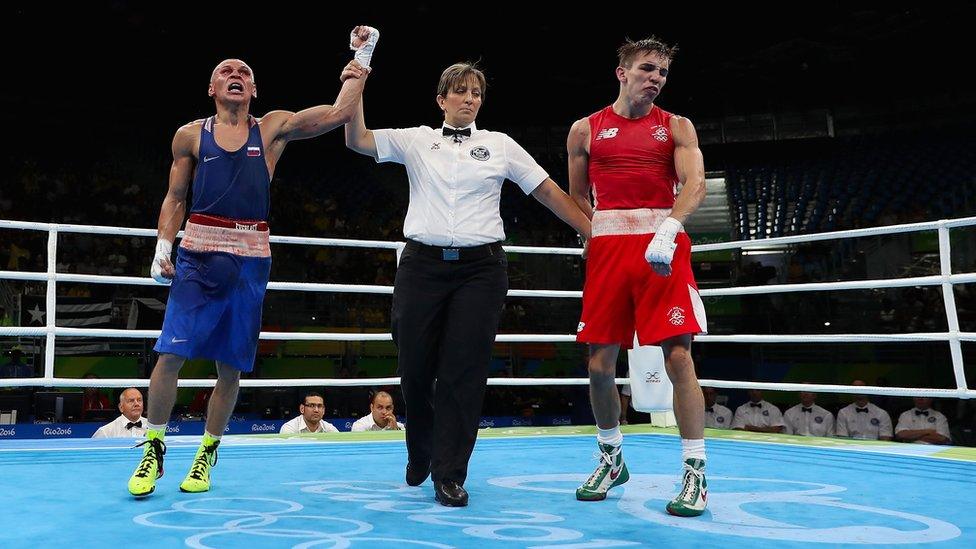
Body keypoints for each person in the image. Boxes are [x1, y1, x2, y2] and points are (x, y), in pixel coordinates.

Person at [127, 26, 379, 498]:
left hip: (248, 257)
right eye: (226, 70)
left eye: (245, 71)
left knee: (230, 366)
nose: (236, 74)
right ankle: (154, 446)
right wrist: (164, 246)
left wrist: (362, 56)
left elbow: (339, 113)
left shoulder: (272, 127)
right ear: (212, 88)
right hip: (198, 252)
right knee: (170, 354)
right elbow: (175, 195)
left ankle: (207, 452)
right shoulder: (189, 135)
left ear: (254, 89)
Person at [345, 61, 591, 507]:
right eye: (460, 92)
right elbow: (357, 140)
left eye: (475, 92)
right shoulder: (418, 139)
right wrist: (358, 78)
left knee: (463, 374)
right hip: (421, 267)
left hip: (482, 271)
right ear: (442, 99)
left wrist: (594, 234)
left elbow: (547, 190)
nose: (469, 99)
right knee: (414, 370)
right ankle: (420, 450)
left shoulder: (500, 145)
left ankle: (450, 473)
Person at [568, 36, 708, 517]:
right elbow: (578, 196)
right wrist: (596, 236)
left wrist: (670, 227)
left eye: (663, 73)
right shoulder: (585, 130)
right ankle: (611, 457)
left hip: (662, 248)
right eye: (648, 69)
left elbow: (695, 183)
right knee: (599, 368)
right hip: (609, 251)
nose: (656, 79)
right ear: (622, 72)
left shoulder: (677, 126)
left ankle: (696, 472)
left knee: (679, 360)